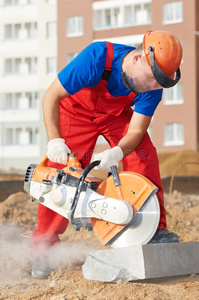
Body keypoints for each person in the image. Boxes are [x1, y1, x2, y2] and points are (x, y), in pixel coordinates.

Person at [30, 30, 183, 279]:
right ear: (137, 59)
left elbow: (136, 129)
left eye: (160, 83)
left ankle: (154, 230)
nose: (153, 87)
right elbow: (51, 96)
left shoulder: (155, 85)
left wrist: (117, 152)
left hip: (114, 116)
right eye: (151, 79)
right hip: (75, 111)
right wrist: (55, 140)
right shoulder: (97, 56)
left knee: (143, 153)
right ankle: (44, 247)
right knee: (58, 174)